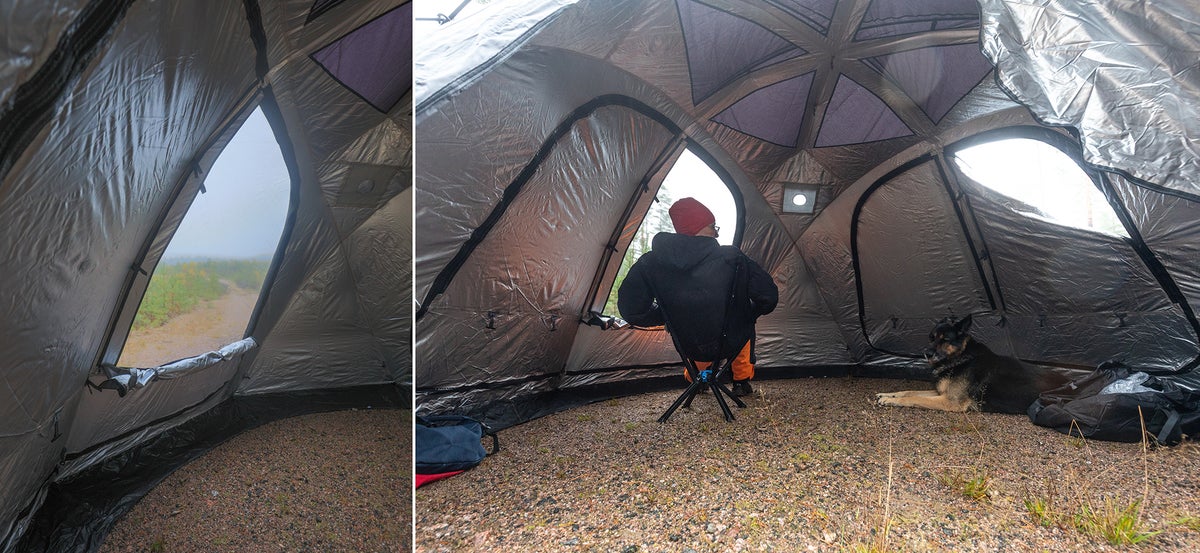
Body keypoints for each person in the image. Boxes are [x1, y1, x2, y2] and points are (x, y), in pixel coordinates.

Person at [617, 197, 778, 396]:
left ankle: (697, 378)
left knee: (699, 327)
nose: (716, 232)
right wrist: (747, 313)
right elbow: (768, 297)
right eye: (713, 226)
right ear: (697, 227)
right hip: (730, 341)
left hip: (688, 345)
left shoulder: (650, 262)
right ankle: (741, 381)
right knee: (741, 322)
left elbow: (631, 309)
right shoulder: (733, 258)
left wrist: (669, 316)